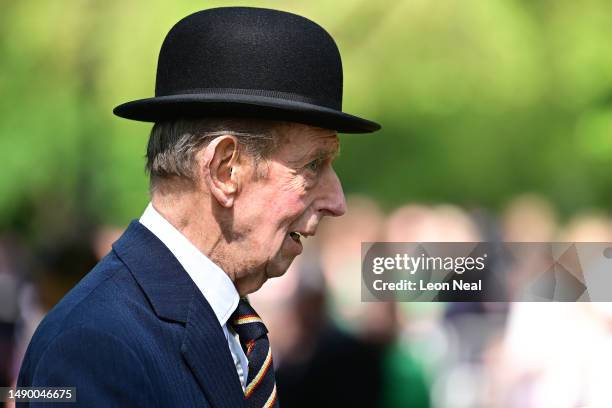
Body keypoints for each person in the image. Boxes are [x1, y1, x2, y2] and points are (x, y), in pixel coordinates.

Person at [16, 6, 380, 408]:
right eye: (313, 164)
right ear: (225, 170)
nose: (337, 201)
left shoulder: (219, 324)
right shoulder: (95, 344)